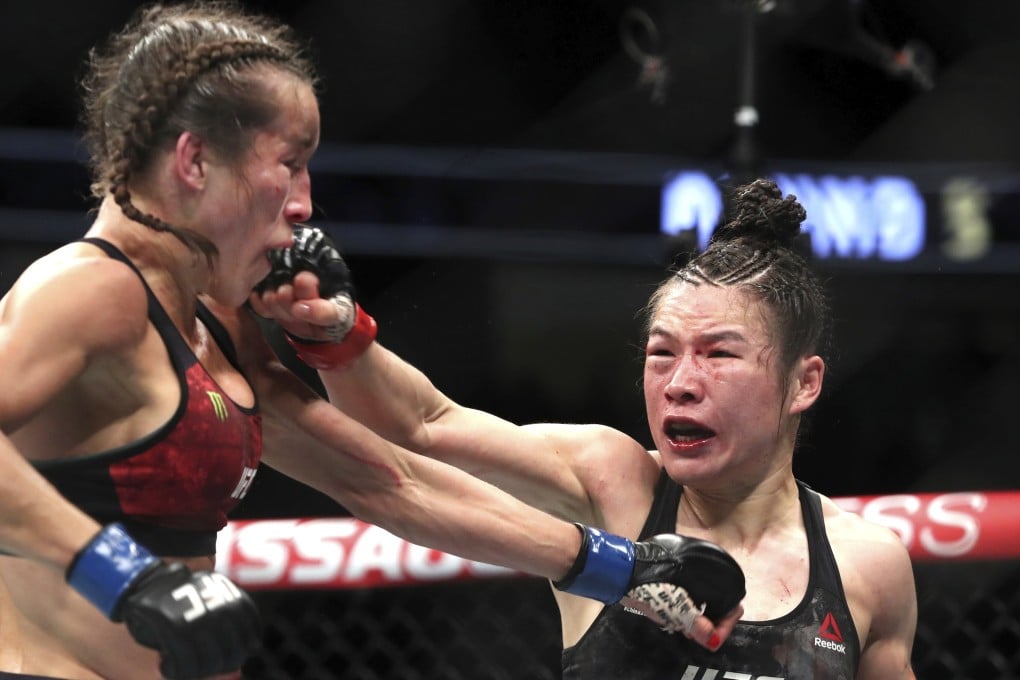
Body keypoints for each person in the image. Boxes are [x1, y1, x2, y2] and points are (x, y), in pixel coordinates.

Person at [0, 3, 744, 678]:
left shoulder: (218, 325)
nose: (305, 203)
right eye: (288, 164)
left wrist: (623, 569)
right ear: (195, 162)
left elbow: (388, 479)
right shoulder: (90, 290)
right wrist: (118, 573)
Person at [253, 178, 919, 678]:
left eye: (719, 354)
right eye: (661, 353)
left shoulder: (868, 565)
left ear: (803, 383)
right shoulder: (611, 484)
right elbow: (423, 424)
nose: (681, 382)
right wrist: (337, 339)